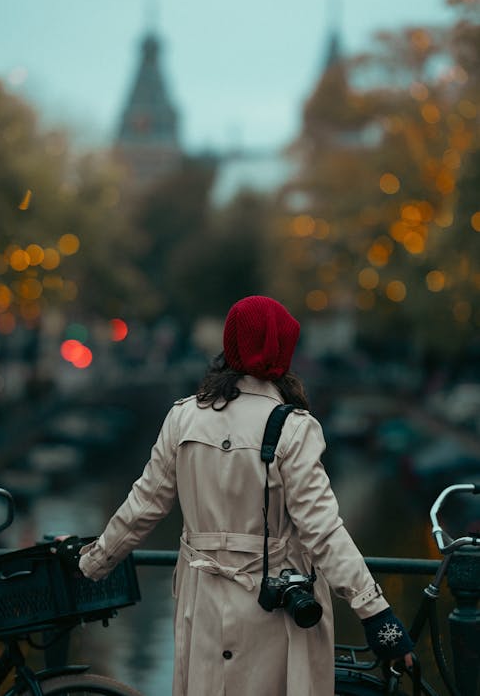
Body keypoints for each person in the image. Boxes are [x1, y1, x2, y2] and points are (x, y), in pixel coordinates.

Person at [76, 295, 413, 696]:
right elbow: (323, 531)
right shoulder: (293, 428)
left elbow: (143, 506)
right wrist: (375, 612)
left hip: (200, 606)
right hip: (273, 608)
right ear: (282, 351)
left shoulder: (183, 416)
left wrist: (91, 564)